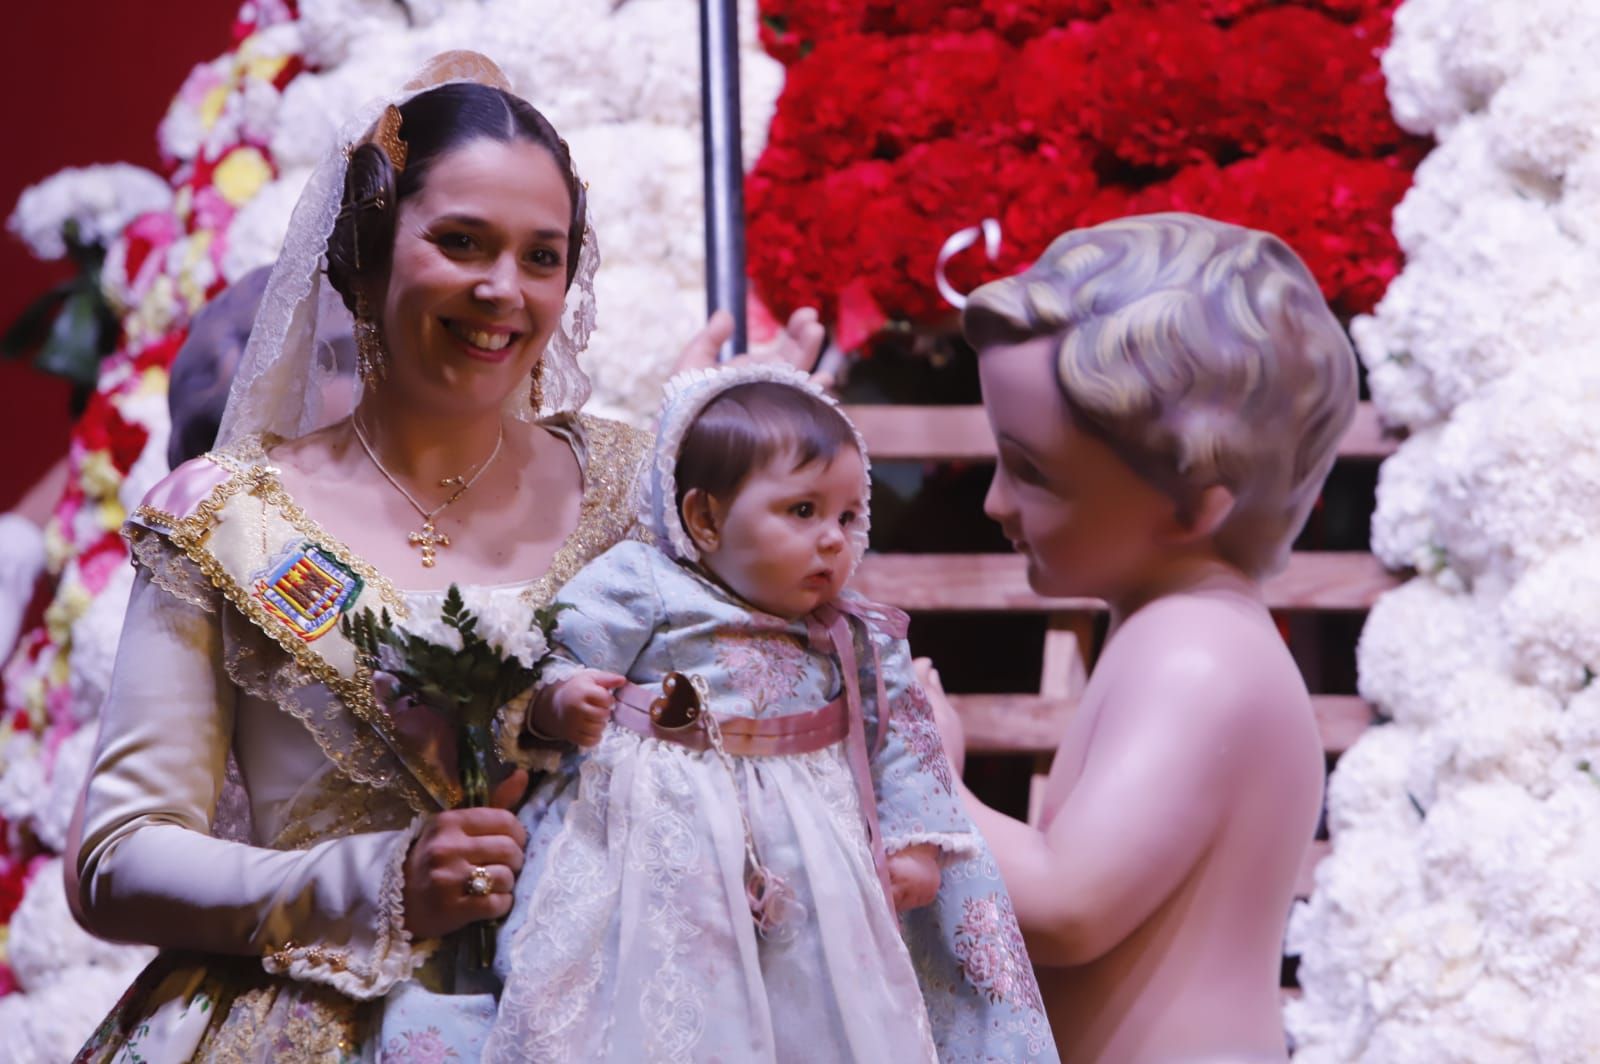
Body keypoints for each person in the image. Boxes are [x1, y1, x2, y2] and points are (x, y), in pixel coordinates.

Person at [68, 52, 817, 1062]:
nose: (502, 290)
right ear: (367, 253)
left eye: (541, 256)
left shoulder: (640, 491)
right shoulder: (225, 518)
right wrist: (376, 879)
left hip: (612, 1016)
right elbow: (115, 860)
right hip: (304, 1018)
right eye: (461, 242)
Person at [472, 364, 1054, 1063]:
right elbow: (551, 655)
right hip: (660, 833)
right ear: (705, 518)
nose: (834, 539)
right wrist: (561, 699)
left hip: (812, 841)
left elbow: (903, 733)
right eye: (803, 511)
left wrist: (916, 842)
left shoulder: (854, 632)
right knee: (662, 985)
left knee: (816, 987)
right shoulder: (644, 583)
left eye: (847, 516)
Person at [936, 212, 1358, 1063]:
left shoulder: (1196, 656)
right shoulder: (1174, 632)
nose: (996, 504)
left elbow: (1066, 907)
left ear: (1196, 505)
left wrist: (929, 781)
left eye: (1033, 472)